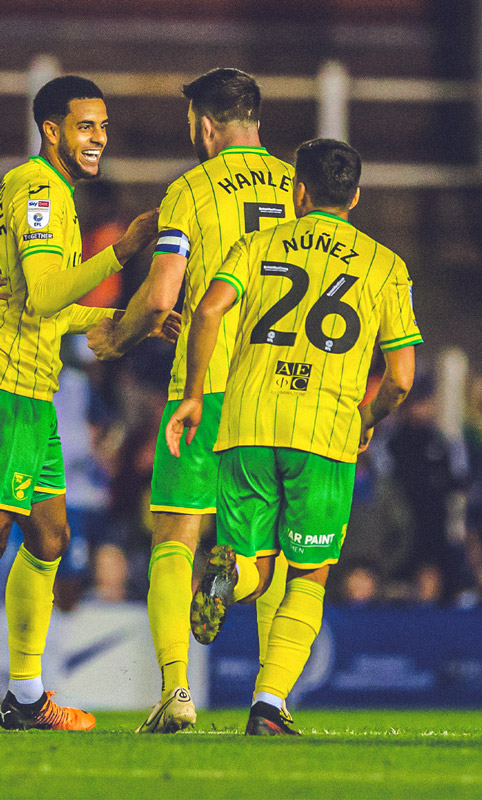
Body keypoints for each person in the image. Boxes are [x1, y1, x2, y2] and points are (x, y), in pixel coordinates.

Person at [165, 138, 422, 735]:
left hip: (247, 421)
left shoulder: (256, 245)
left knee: (256, 561)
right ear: (355, 196)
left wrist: (196, 393)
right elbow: (403, 380)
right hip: (325, 432)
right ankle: (269, 704)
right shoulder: (386, 265)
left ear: (298, 192)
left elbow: (206, 312)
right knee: (308, 574)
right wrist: (367, 417)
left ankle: (232, 577)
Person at [87, 68, 295, 733]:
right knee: (273, 550)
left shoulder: (191, 189)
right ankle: (271, 700)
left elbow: (161, 295)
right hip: (283, 393)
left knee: (175, 537)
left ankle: (176, 690)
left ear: (206, 126)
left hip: (204, 390)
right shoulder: (302, 189)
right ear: (253, 120)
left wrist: (117, 338)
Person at [0, 75, 167, 731]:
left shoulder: (56, 197)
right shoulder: (39, 190)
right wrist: (121, 255)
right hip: (9, 389)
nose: (99, 138)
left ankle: (24, 695)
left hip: (33, 389)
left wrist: (127, 319)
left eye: (103, 126)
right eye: (85, 125)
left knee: (49, 537)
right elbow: (41, 297)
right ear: (51, 130)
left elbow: (37, 303)